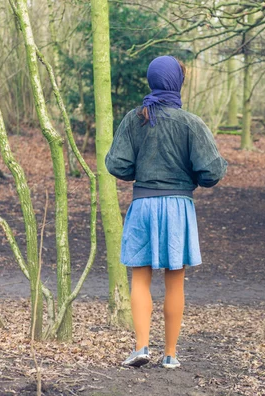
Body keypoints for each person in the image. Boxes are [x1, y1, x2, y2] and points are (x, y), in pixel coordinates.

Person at [105, 55, 227, 369]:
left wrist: (140, 170)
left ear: (151, 80)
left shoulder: (136, 118)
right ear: (177, 82)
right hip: (178, 208)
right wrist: (193, 177)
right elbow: (211, 171)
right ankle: (170, 355)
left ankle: (141, 348)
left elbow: (116, 164)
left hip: (143, 204)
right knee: (175, 282)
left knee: (140, 280)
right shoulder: (191, 123)